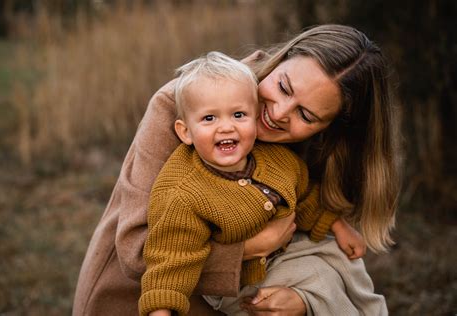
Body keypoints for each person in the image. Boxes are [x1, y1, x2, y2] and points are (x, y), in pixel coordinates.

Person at [73, 24, 400, 316]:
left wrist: (304, 300)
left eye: (306, 115)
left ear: (329, 129)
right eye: (284, 87)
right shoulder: (182, 103)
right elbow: (136, 251)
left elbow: (308, 214)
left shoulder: (302, 152)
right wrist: (252, 247)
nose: (280, 113)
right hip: (137, 295)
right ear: (281, 59)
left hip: (249, 288)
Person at [139, 51, 365, 316]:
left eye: (238, 115)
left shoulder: (277, 159)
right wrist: (161, 312)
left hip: (279, 259)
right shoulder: (183, 193)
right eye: (209, 118)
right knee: (328, 284)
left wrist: (337, 225)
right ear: (185, 132)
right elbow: (169, 261)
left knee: (346, 267)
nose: (226, 127)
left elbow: (304, 197)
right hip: (234, 285)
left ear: (255, 115)